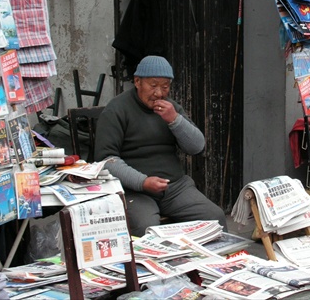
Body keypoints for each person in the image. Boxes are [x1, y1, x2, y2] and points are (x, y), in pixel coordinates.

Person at [94, 55, 227, 236]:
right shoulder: (116, 109)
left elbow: (197, 147)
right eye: (153, 85)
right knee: (146, 227)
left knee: (214, 217)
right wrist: (142, 182)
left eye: (165, 87)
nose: (159, 93)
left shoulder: (171, 108)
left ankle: (211, 264)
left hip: (175, 187)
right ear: (137, 81)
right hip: (134, 191)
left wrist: (175, 120)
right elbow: (107, 160)